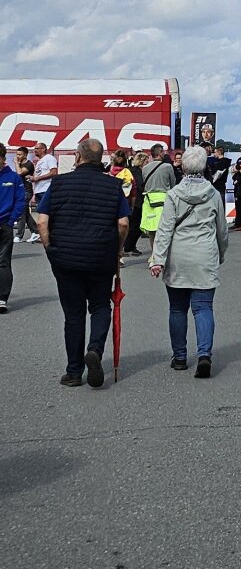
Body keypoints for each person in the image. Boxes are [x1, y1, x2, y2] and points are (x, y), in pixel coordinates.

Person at [36, 138, 129, 387]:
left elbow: (42, 221)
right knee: (100, 307)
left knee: (74, 314)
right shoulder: (113, 186)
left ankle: (74, 372)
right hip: (100, 257)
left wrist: (49, 248)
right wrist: (117, 251)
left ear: (78, 157)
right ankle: (95, 350)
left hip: (65, 259)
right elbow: (123, 224)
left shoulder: (59, 184)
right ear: (100, 160)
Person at [149, 145, 228, 377]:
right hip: (204, 255)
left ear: (182, 166)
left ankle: (180, 357)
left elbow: (164, 230)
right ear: (204, 166)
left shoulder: (174, 194)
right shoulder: (214, 194)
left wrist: (157, 259)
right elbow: (221, 231)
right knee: (203, 308)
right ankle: (204, 355)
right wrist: (220, 254)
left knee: (177, 309)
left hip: (178, 257)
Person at [0, 143, 27, 312]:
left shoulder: (13, 178)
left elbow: (20, 201)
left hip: (4, 225)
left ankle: (2, 298)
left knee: (2, 262)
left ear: (3, 159)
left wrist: (10, 221)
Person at [140, 142, 176, 245]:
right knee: (165, 229)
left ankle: (153, 255)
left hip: (149, 200)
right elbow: (173, 184)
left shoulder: (145, 168)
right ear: (160, 153)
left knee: (152, 231)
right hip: (164, 199)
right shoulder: (167, 167)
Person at [30, 140, 58, 239]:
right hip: (39, 190)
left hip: (46, 189)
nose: (35, 151)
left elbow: (54, 172)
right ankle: (44, 235)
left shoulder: (49, 158)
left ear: (43, 149)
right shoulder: (40, 161)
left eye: (37, 149)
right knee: (42, 213)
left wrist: (38, 178)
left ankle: (50, 236)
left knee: (46, 213)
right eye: (34, 149)